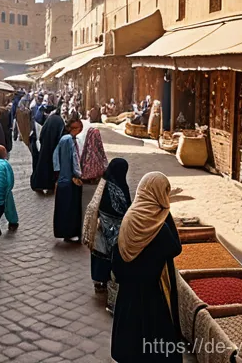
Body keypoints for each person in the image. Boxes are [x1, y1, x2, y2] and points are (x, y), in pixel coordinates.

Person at [111, 172, 182, 362]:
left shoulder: (129, 218)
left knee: (129, 348)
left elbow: (117, 259)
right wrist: (166, 213)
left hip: (128, 297)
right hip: (153, 299)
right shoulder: (160, 228)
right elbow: (176, 248)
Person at [83, 158, 131, 293]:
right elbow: (124, 208)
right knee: (111, 254)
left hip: (101, 226)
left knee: (100, 252)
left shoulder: (103, 185)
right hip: (114, 227)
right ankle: (110, 278)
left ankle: (99, 280)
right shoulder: (120, 187)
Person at [52, 118, 84, 241]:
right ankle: (67, 233)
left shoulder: (69, 139)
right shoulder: (67, 140)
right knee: (67, 207)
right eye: (76, 128)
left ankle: (69, 233)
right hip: (67, 179)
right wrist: (76, 174)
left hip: (67, 178)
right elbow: (69, 160)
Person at [30, 113, 65, 193]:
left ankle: (39, 185)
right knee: (50, 166)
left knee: (41, 164)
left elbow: (41, 136)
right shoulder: (59, 121)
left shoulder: (49, 121)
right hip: (53, 148)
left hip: (44, 148)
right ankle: (49, 185)